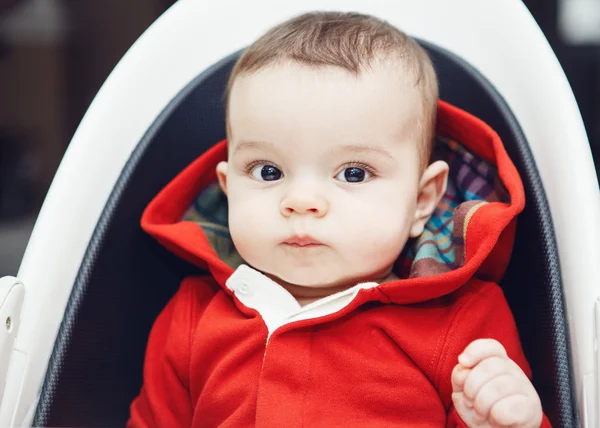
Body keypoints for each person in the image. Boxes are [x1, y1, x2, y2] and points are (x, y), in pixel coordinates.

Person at [129, 11, 550, 427]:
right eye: (268, 171)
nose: (301, 201)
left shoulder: (463, 322)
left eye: (354, 173)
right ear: (228, 186)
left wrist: (503, 420)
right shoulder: (193, 316)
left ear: (422, 200)